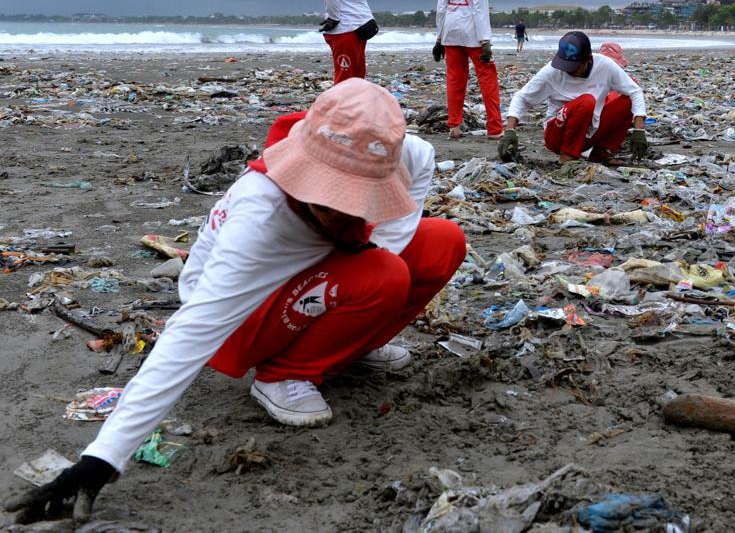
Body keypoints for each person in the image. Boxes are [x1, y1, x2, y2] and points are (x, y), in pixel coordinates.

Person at [6, 80, 466, 525]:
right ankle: (282, 376)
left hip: (316, 282)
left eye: (358, 198)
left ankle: (346, 345)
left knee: (440, 241)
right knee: (383, 274)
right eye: (330, 200)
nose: (344, 211)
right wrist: (102, 458)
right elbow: (192, 332)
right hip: (239, 322)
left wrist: (367, 249)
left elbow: (414, 183)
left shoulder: (404, 152)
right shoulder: (260, 218)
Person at [498, 31, 649, 164]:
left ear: (588, 59)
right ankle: (568, 156)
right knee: (587, 101)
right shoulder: (552, 71)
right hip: (558, 136)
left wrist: (639, 130)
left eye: (573, 66)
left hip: (589, 131)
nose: (567, 70)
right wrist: (510, 130)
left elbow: (635, 92)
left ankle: (601, 152)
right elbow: (522, 97)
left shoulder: (605, 66)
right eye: (565, 64)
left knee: (626, 100)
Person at [432, 0, 503, 139]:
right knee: (487, 78)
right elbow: (479, 7)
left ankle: (454, 126)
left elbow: (441, 8)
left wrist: (439, 38)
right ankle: (495, 128)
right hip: (472, 33)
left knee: (455, 79)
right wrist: (485, 40)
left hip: (450, 31)